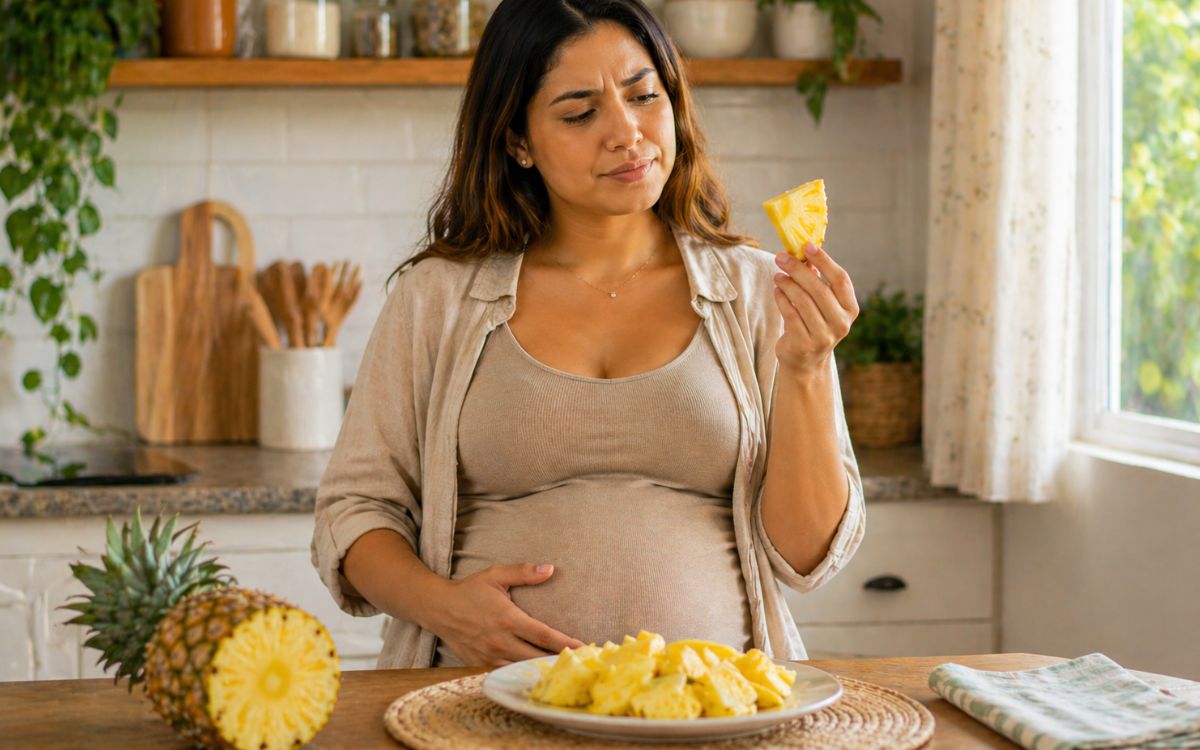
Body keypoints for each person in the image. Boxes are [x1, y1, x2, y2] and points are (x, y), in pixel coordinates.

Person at [311, 0, 865, 669]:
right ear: (517, 140)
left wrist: (805, 369)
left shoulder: (760, 290)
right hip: (469, 707)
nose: (627, 132)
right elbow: (355, 510)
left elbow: (806, 557)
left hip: (713, 716)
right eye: (580, 112)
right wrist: (440, 605)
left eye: (644, 96)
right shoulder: (436, 298)